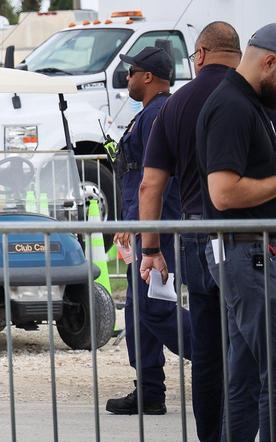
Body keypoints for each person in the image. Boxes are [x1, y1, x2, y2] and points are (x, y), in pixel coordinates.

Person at [139, 21, 240, 440]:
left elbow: (151, 184)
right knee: (250, 346)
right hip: (249, 235)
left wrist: (151, 247)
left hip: (197, 236)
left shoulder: (174, 105)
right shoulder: (252, 97)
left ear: (198, 55)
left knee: (207, 352)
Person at [196, 23, 276, 441]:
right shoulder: (232, 106)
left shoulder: (250, 103)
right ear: (270, 62)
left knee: (244, 377)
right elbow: (223, 193)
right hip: (246, 255)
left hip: (247, 254)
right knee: (268, 373)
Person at [108, 46, 194, 416]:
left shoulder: (159, 115)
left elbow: (156, 181)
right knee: (138, 311)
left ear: (148, 77)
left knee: (155, 309)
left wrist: (143, 225)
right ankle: (149, 389)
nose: (126, 79)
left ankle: (224, 356)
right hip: (145, 226)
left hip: (157, 230)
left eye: (131, 73)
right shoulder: (149, 114)